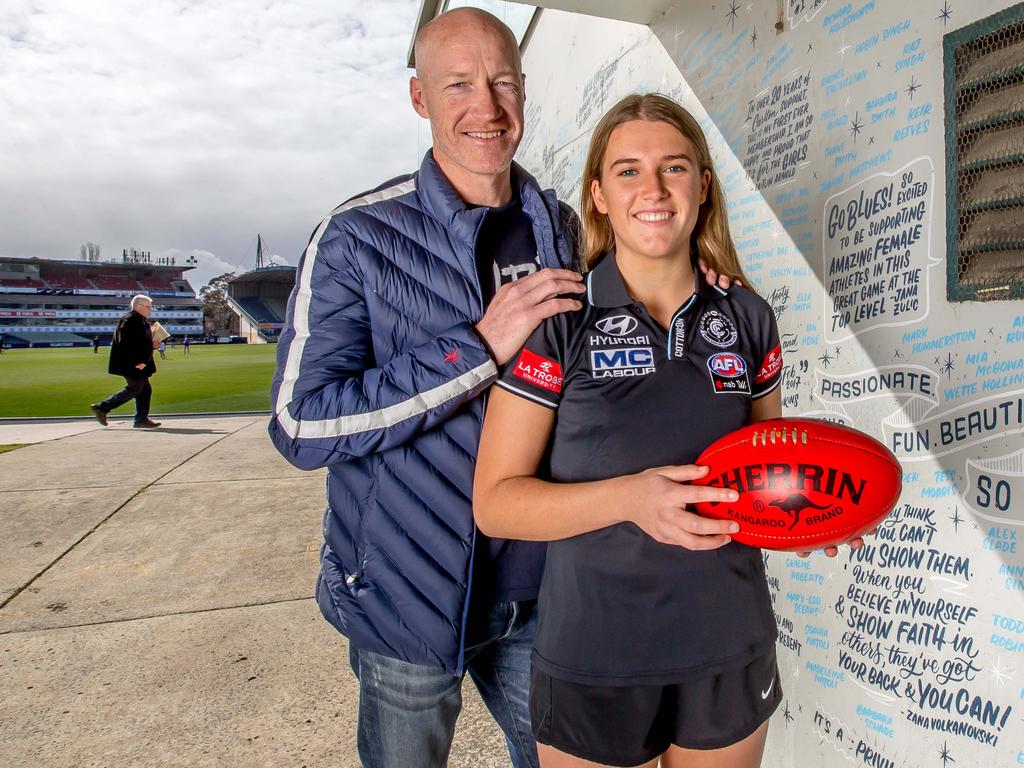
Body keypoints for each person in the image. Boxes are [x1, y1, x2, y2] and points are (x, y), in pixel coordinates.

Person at [474, 94, 850, 768]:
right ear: (597, 195)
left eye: (674, 168)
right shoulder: (559, 320)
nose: (653, 189)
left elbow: (767, 477)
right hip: (594, 655)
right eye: (627, 171)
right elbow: (497, 503)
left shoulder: (747, 316)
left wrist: (816, 515)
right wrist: (629, 499)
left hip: (727, 646)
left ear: (703, 187)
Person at [268, 9, 588, 767]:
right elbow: (300, 424)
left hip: (541, 589)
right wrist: (476, 347)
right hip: (408, 597)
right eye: (458, 85)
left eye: (503, 82)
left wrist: (702, 284)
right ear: (420, 99)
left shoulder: (565, 228)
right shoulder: (356, 237)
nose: (487, 107)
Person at [90, 294, 161, 428]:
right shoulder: (130, 320)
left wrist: (152, 345)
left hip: (139, 362)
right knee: (135, 388)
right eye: (148, 307)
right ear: (138, 306)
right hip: (132, 363)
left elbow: (140, 342)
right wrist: (138, 361)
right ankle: (102, 407)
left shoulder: (141, 320)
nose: (150, 309)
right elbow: (127, 344)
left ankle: (141, 419)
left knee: (145, 389)